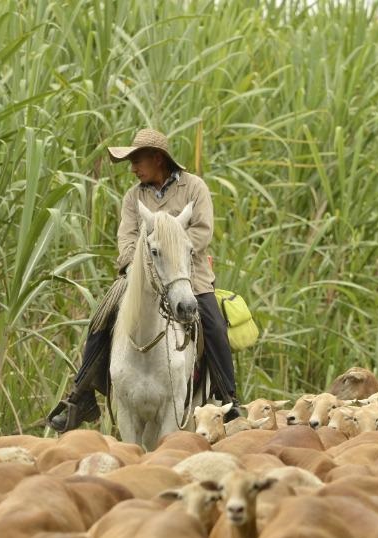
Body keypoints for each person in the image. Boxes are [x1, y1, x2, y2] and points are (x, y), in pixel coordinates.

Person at [45, 128, 239, 433]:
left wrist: (171, 248)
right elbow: (127, 236)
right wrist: (136, 261)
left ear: (158, 158)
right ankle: (78, 397)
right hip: (140, 275)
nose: (133, 168)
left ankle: (228, 397)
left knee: (214, 323)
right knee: (100, 320)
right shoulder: (134, 196)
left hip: (188, 274)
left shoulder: (194, 188)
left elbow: (202, 231)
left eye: (137, 160)